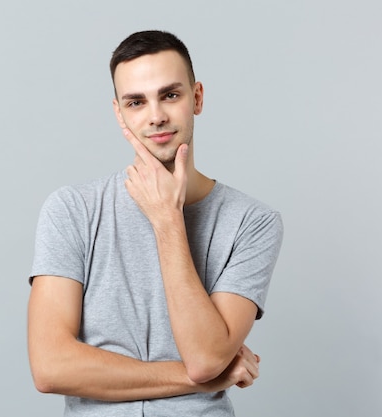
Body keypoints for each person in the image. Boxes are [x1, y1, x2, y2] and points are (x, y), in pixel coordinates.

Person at [27, 30, 283, 416]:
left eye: (170, 95)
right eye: (136, 102)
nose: (156, 115)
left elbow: (204, 356)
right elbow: (50, 367)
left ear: (196, 98)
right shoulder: (71, 209)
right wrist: (206, 377)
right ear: (119, 113)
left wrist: (168, 221)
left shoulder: (253, 222)